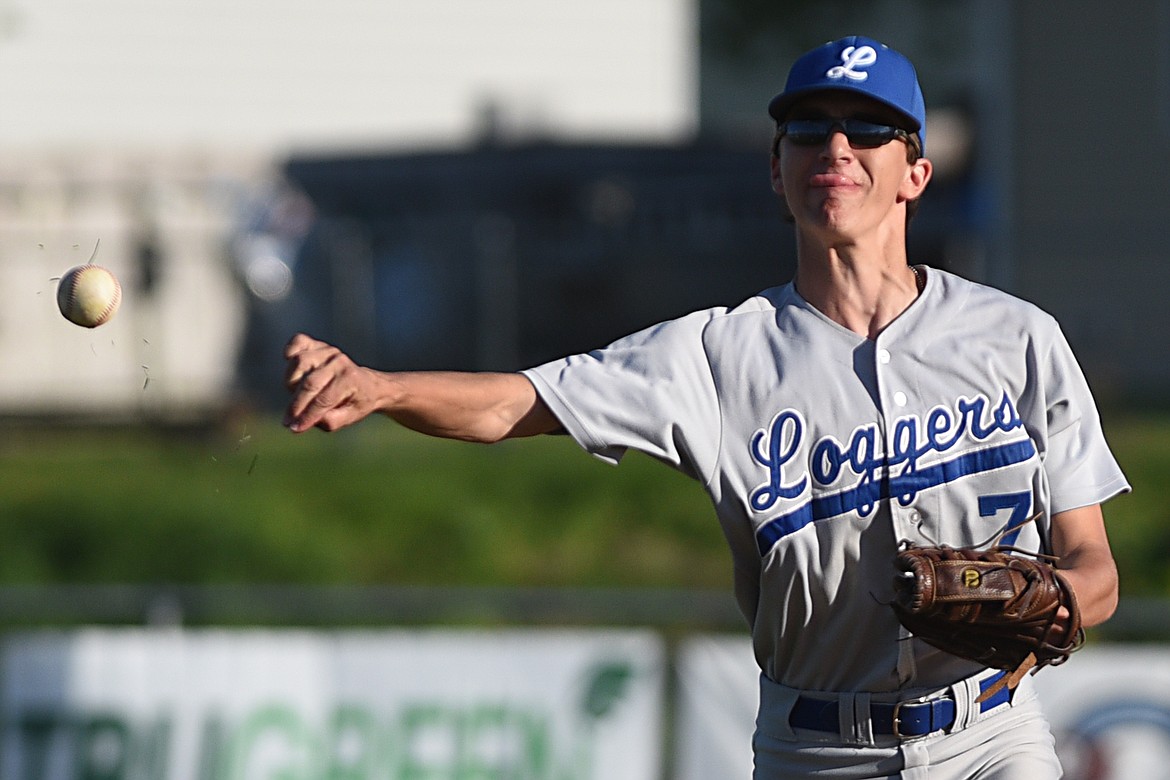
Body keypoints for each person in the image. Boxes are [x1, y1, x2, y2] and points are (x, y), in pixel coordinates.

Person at [283, 35, 1129, 779]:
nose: (835, 146)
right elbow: (521, 402)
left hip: (990, 740)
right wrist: (384, 389)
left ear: (915, 171)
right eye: (808, 129)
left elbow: (1095, 569)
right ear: (776, 168)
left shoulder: (1015, 337)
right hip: (818, 750)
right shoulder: (716, 356)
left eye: (867, 128)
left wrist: (1053, 600)